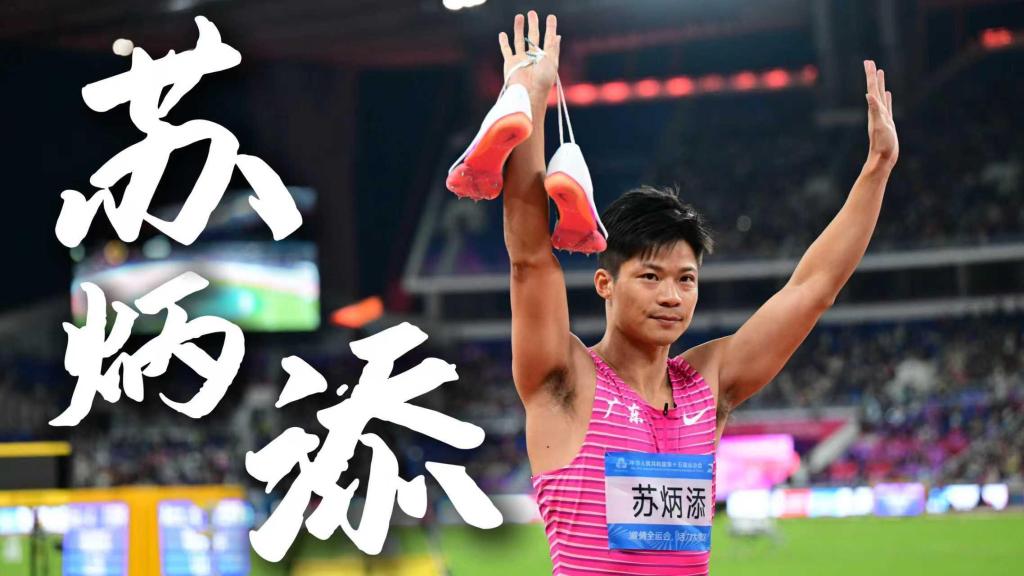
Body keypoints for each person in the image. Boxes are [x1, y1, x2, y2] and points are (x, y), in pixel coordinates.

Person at [469, 10, 898, 575]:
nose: (671, 295)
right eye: (650, 276)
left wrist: (876, 169)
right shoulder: (565, 380)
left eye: (686, 279)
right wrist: (532, 96)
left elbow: (812, 288)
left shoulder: (707, 386)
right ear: (605, 283)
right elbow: (530, 260)